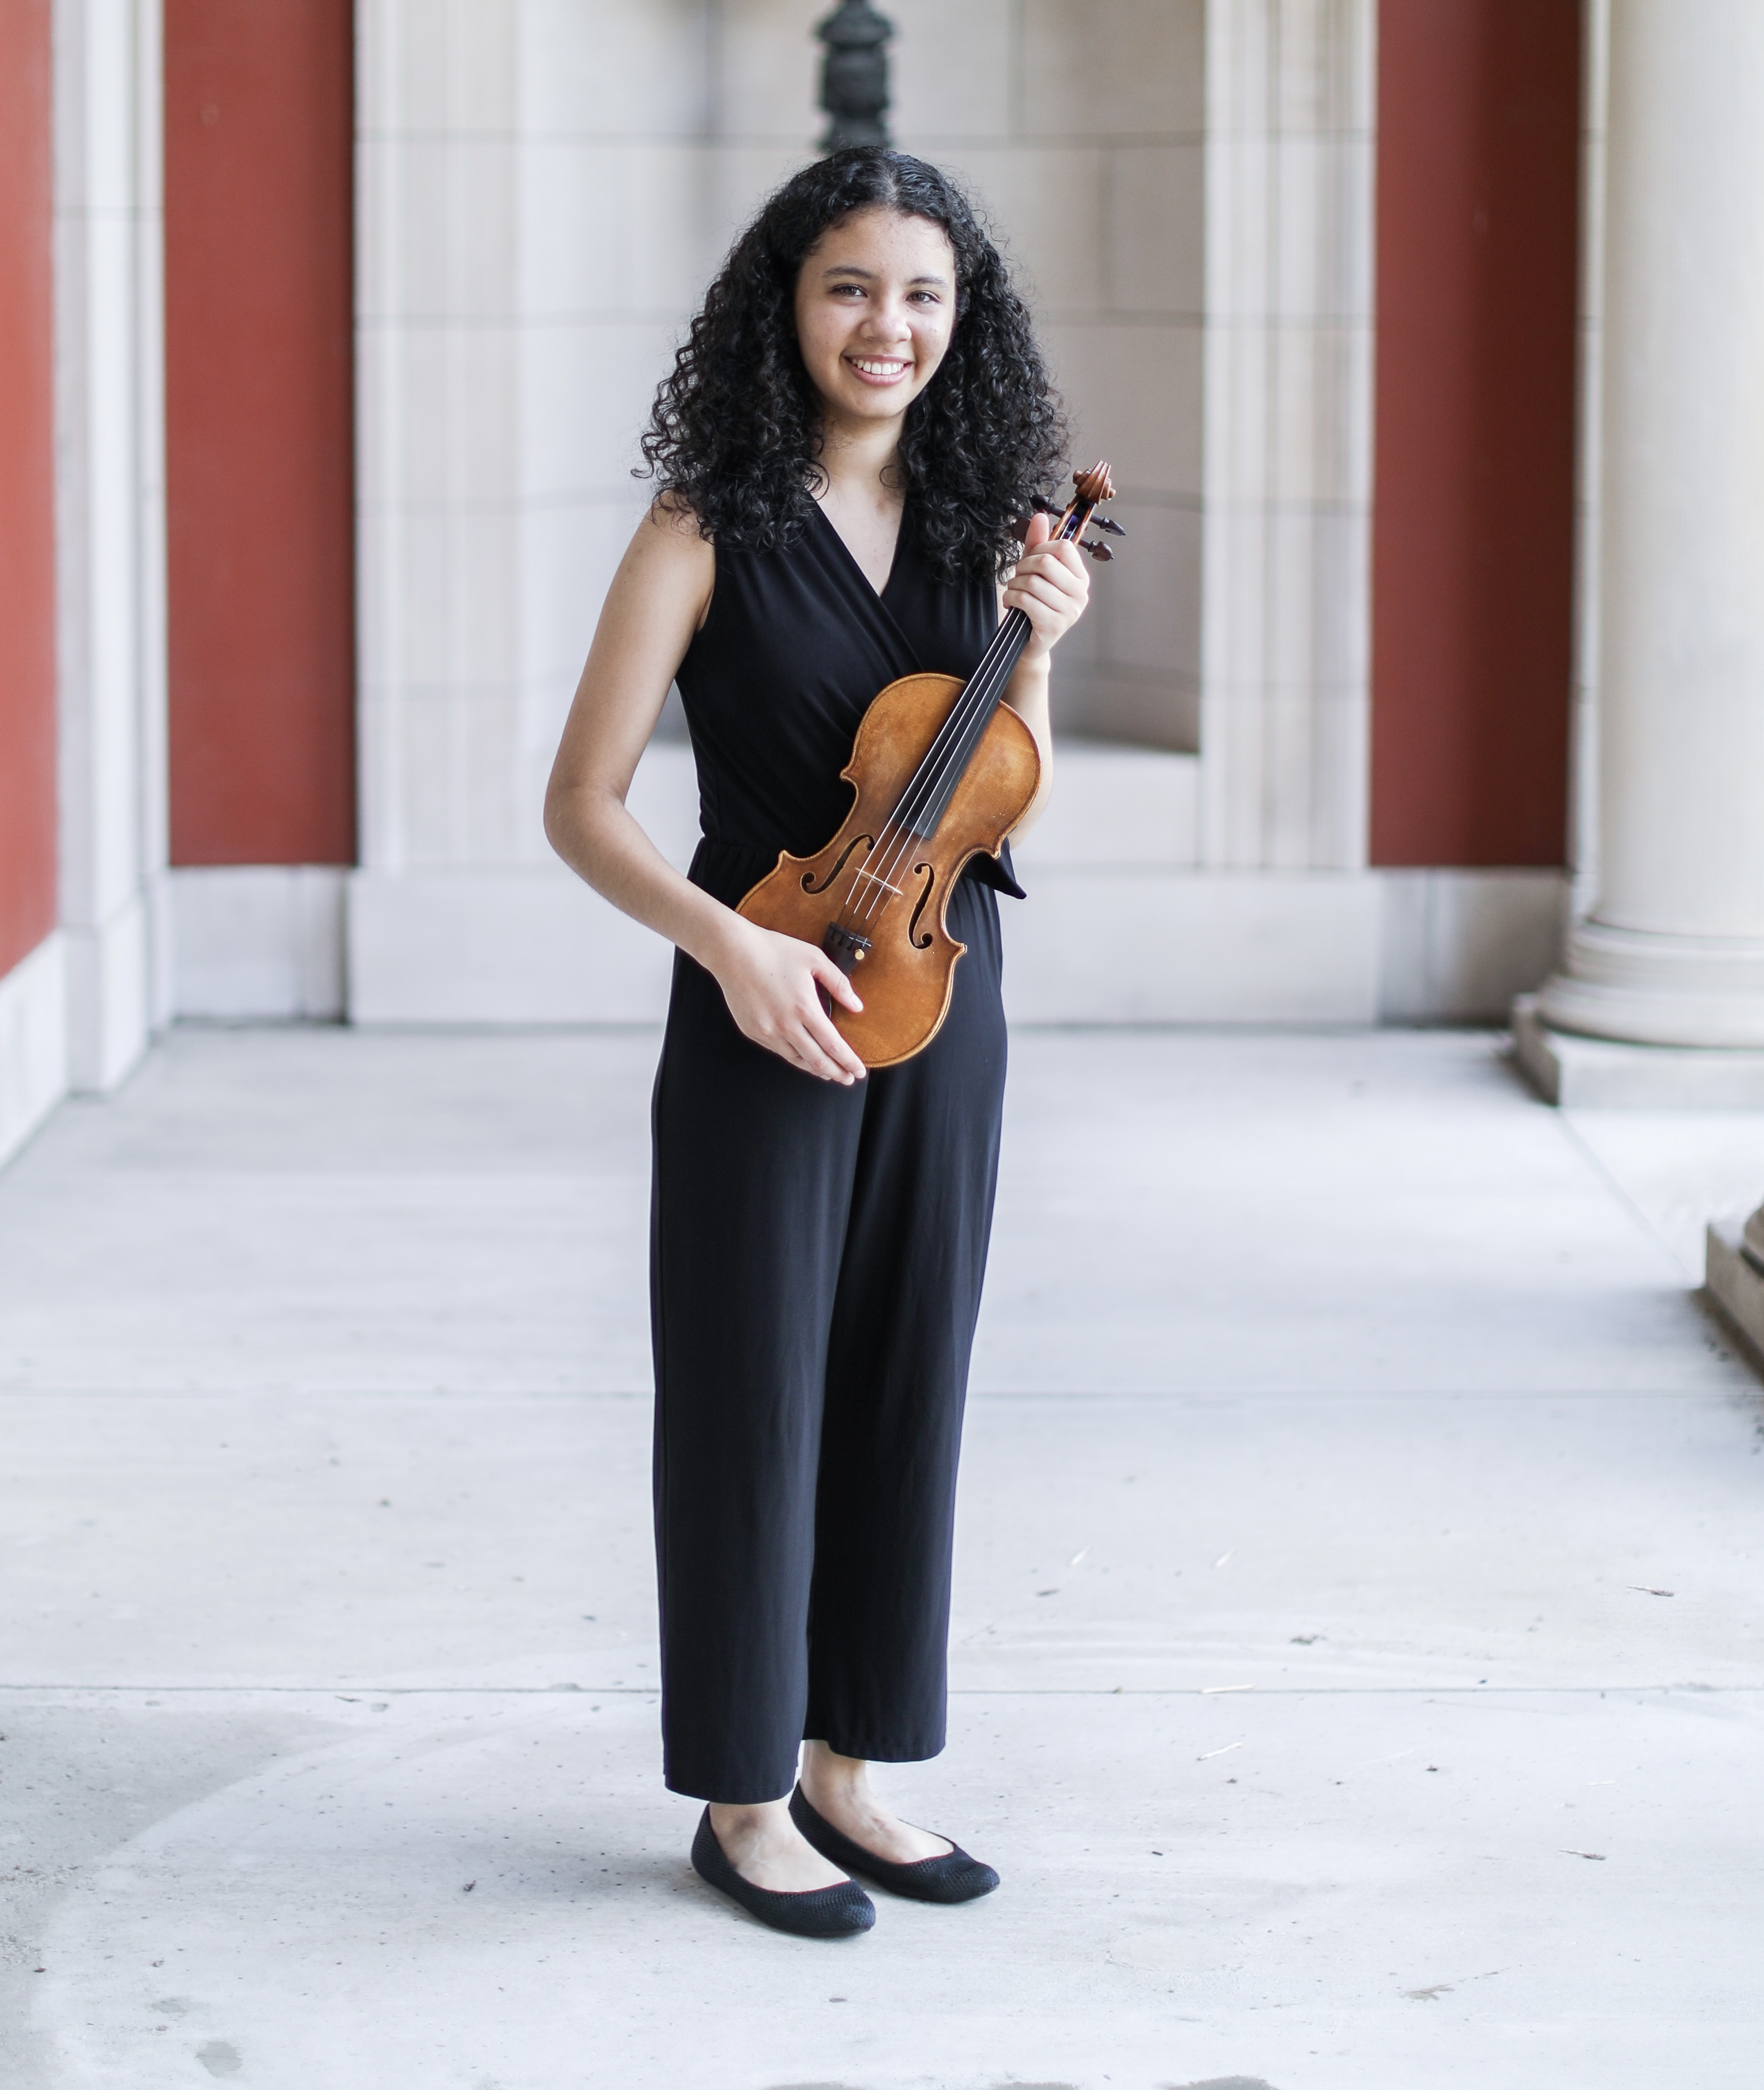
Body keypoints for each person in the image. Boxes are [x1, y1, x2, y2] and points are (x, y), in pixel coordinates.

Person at [544, 148, 1091, 1939]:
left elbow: (1000, 804)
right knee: (748, 1390)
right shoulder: (704, 523)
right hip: (759, 984)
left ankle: (857, 1764)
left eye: (923, 294)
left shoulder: (983, 536)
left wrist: (1037, 655)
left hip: (946, 996)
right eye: (853, 286)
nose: (889, 325)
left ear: (962, 321)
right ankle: (743, 1794)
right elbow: (582, 804)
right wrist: (727, 954)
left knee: (903, 1375)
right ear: (787, 303)